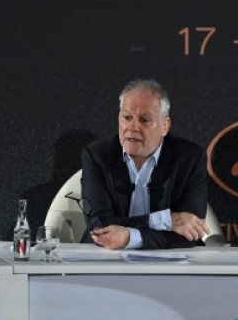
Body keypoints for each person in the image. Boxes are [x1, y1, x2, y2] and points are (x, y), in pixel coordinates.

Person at [81, 79, 209, 249]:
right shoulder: (97, 155)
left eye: (144, 120)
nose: (133, 127)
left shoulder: (190, 158)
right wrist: (166, 220)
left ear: (165, 126)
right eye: (127, 118)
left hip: (168, 259)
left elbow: (191, 231)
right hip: (106, 254)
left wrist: (130, 238)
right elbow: (99, 227)